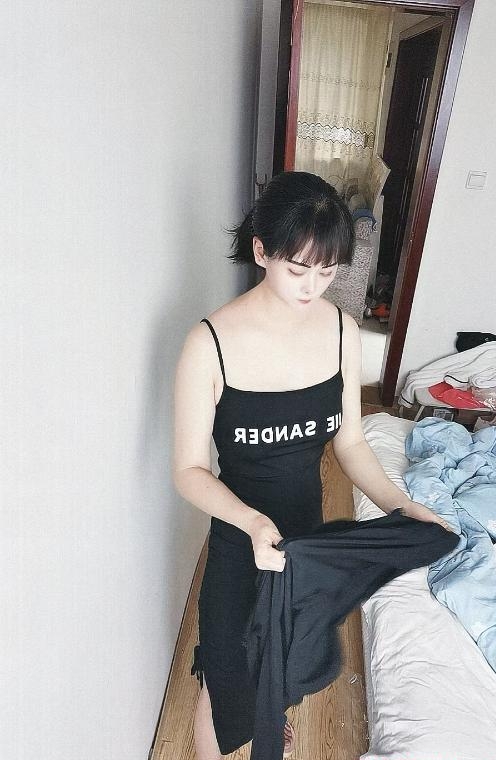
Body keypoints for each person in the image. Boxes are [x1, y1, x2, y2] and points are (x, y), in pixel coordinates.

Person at [172, 171, 451, 760]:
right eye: (298, 269)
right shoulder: (209, 344)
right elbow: (189, 470)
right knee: (224, 677)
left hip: (307, 537)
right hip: (241, 535)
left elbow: (350, 443)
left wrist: (401, 506)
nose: (312, 288)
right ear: (261, 251)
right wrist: (252, 524)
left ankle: (271, 716)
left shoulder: (343, 332)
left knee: (287, 658)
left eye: (327, 272)